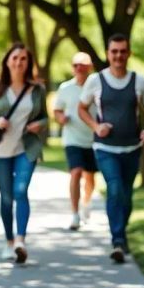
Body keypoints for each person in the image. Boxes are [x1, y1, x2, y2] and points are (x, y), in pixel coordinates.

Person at [78, 33, 144, 264]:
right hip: (105, 148)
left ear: (129, 53)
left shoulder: (139, 81)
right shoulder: (95, 80)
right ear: (108, 54)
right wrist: (96, 125)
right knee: (114, 188)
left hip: (132, 148)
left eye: (123, 51)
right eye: (114, 51)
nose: (118, 55)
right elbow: (82, 108)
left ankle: (121, 234)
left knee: (126, 194)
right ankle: (117, 241)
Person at [0, 43, 48, 264]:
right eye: (15, 58)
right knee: (7, 198)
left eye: (23, 59)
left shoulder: (36, 89)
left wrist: (39, 124)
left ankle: (20, 241)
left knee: (21, 191)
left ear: (29, 63)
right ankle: (9, 241)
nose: (19, 62)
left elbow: (45, 117)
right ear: (7, 61)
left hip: (26, 148)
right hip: (0, 150)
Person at [53, 52, 97, 231]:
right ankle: (75, 214)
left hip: (93, 139)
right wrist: (61, 118)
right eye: (75, 65)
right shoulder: (65, 88)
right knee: (76, 172)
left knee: (90, 177)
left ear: (90, 67)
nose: (79, 68)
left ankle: (86, 202)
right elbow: (57, 111)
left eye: (83, 65)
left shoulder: (96, 86)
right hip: (72, 138)